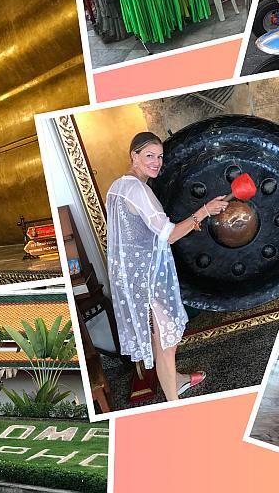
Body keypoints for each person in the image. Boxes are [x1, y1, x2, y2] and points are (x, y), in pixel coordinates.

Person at [106, 132, 228, 402]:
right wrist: (205, 210)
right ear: (133, 156)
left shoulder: (116, 187)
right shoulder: (138, 189)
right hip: (148, 278)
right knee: (166, 345)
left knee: (160, 341)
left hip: (133, 277)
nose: (156, 162)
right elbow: (168, 234)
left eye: (159, 157)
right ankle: (174, 404)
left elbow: (136, 235)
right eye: (149, 155)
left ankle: (178, 379)